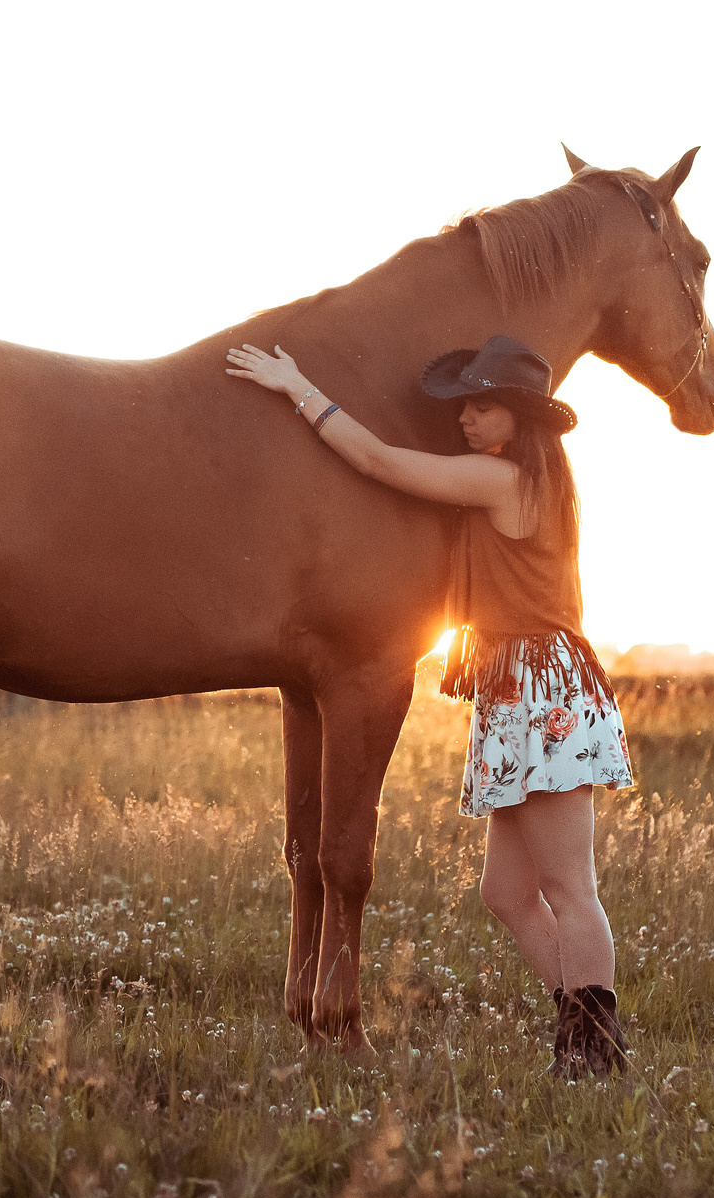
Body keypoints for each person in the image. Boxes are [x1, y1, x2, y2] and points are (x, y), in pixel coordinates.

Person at [223, 334, 634, 1077]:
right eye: (465, 405)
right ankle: (584, 1030)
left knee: (570, 886)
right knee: (506, 892)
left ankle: (595, 1053)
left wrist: (296, 386)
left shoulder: (505, 480)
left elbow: (380, 461)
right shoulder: (527, 479)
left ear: (519, 417)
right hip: (515, 690)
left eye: (483, 406)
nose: (468, 418)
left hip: (545, 694)